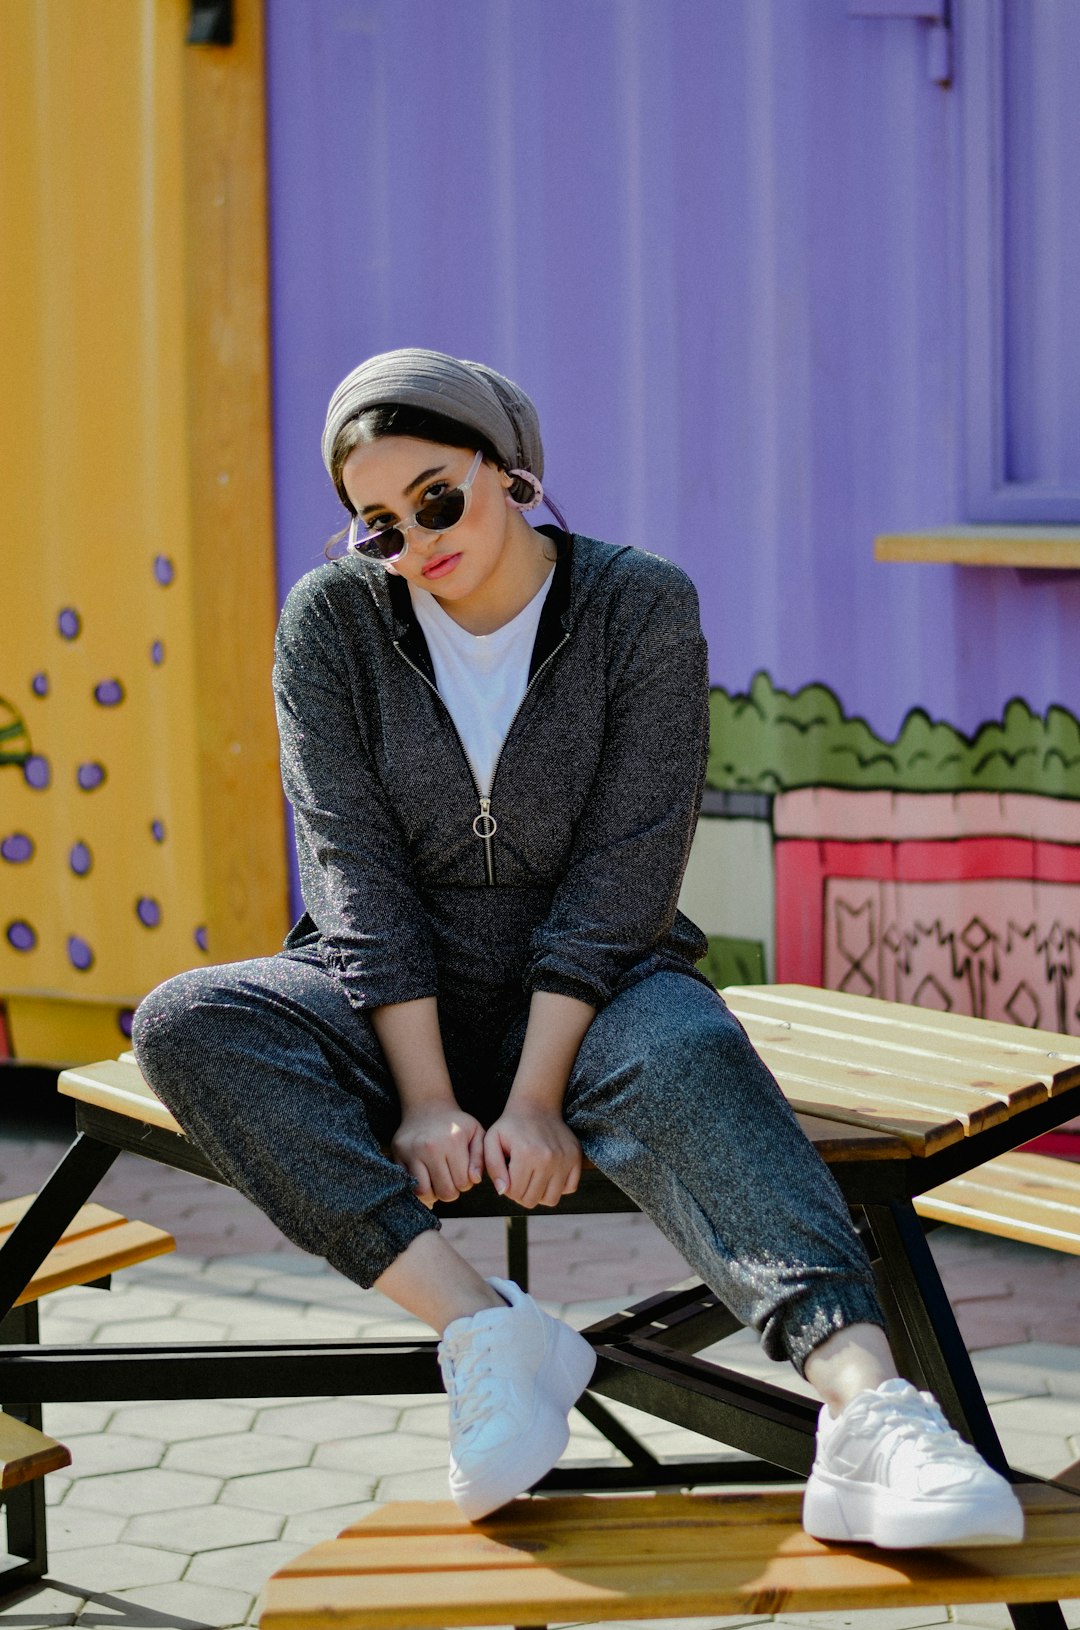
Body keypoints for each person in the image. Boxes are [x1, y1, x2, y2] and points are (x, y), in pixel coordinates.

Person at [133, 347, 1022, 1548]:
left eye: (438, 497)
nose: (417, 542)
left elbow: (628, 866)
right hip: (394, 990)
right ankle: (483, 1328)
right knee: (191, 1020)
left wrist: (538, 1094)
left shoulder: (639, 603)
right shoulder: (332, 621)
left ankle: (869, 1411)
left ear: (514, 472)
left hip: (605, 984)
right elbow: (352, 867)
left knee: (695, 1054)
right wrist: (431, 1099)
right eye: (379, 527)